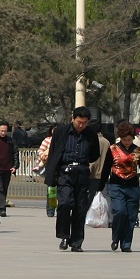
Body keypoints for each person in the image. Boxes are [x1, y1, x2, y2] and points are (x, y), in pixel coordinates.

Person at [43, 106, 102, 252]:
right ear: (72, 119)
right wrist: (52, 173)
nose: (81, 125)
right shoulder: (61, 132)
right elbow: (54, 152)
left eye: (84, 123)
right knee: (64, 204)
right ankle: (64, 236)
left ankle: (76, 242)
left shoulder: (91, 135)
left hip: (82, 172)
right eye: (78, 122)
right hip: (65, 172)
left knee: (80, 208)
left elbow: (95, 154)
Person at [98, 121, 140, 253]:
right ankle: (116, 238)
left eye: (129, 139)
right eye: (124, 139)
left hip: (133, 186)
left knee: (131, 216)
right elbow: (105, 169)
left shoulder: (138, 151)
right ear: (120, 138)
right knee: (120, 212)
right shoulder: (113, 149)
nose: (127, 142)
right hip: (116, 185)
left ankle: (126, 243)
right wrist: (100, 185)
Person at [0, 120, 18, 215]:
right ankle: (2, 209)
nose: (3, 133)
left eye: (5, 131)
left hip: (8, 168)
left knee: (5, 188)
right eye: (1, 130)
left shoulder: (11, 140)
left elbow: (15, 153)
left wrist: (15, 166)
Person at [36, 126, 57, 216]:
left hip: (62, 167)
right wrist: (43, 156)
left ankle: (62, 209)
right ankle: (51, 209)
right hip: (50, 167)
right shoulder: (47, 140)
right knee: (52, 189)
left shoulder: (65, 140)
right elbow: (40, 150)